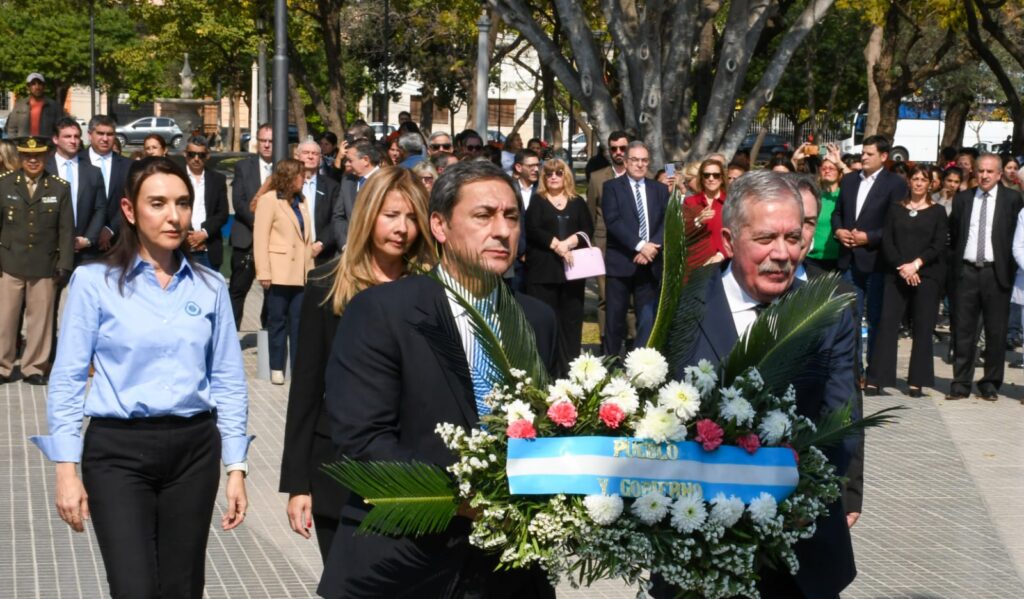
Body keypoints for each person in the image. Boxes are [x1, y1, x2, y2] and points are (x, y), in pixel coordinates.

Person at [318, 160, 559, 598]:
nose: (502, 230)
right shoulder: (383, 312)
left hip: (510, 573)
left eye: (511, 216)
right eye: (483, 216)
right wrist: (471, 498)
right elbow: (364, 441)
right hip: (401, 565)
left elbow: (562, 429)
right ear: (440, 226)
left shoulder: (537, 320)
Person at [29, 156, 249, 598]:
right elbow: (69, 378)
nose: (174, 215)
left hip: (193, 452)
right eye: (158, 203)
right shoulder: (95, 283)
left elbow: (227, 379)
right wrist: (66, 471)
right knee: (133, 588)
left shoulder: (210, 287)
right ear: (130, 210)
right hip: (117, 453)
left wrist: (237, 466)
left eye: (183, 203)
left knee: (182, 587)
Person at [655, 170, 858, 599]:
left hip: (799, 550)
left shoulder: (831, 308)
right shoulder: (680, 304)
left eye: (793, 238)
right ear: (728, 241)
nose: (783, 253)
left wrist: (805, 497)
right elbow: (651, 416)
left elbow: (841, 416)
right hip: (697, 551)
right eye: (766, 238)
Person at [279, 167, 434, 561]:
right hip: (337, 470)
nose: (402, 228)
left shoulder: (432, 291)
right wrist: (298, 483)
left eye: (412, 217)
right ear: (367, 216)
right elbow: (306, 391)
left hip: (415, 472)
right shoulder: (325, 285)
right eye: (391, 215)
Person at [831, 134, 909, 379]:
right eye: (863, 152)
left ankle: (875, 371)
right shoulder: (850, 179)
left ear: (883, 156)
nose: (863, 157)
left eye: (869, 154)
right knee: (849, 318)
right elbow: (838, 213)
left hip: (877, 261)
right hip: (849, 260)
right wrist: (839, 230)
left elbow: (896, 224)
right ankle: (854, 371)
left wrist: (870, 237)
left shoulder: (895, 184)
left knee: (876, 317)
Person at [947, 153, 1024, 401]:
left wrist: (1009, 270)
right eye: (981, 170)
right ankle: (960, 383)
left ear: (1000, 174)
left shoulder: (1012, 200)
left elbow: (1016, 237)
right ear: (974, 172)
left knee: (996, 331)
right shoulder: (963, 199)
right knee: (963, 330)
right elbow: (954, 234)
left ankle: (990, 383)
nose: (985, 175)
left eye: (990, 171)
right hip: (967, 271)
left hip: (996, 273)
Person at [866, 165, 947, 397]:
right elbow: (888, 241)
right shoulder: (895, 209)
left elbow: (938, 243)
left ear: (931, 183)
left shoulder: (937, 211)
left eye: (924, 179)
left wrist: (916, 264)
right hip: (896, 274)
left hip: (926, 275)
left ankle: (916, 381)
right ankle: (877, 378)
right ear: (908, 182)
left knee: (922, 327)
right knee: (887, 324)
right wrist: (903, 266)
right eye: (915, 179)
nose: (919, 183)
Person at [0, 136, 73, 385]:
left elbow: (66, 231)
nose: (33, 161)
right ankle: (3, 366)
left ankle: (34, 367)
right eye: (28, 157)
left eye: (38, 156)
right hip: (9, 263)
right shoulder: (5, 184)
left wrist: (64, 263)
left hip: (44, 264)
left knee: (40, 320)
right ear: (20, 158)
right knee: (5, 319)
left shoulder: (59, 188)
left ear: (45, 157)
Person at [601, 141, 668, 356]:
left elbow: (666, 221)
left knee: (647, 319)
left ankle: (642, 366)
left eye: (644, 160)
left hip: (650, 264)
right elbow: (613, 221)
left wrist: (652, 249)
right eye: (635, 160)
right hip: (621, 263)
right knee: (615, 319)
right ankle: (610, 364)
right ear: (626, 162)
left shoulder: (658, 189)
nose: (640, 164)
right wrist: (640, 246)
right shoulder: (612, 187)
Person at [525, 157, 595, 358]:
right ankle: (546, 368)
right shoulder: (537, 200)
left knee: (571, 323)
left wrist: (568, 244)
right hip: (543, 273)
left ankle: (569, 370)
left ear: (567, 176)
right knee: (545, 321)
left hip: (573, 273)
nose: (553, 177)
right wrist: (557, 246)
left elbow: (587, 229)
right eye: (548, 173)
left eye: (558, 173)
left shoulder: (577, 202)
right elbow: (532, 229)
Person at [253, 159, 314, 385]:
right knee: (277, 321)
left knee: (299, 322)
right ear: (289, 177)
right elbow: (260, 238)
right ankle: (276, 366)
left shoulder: (302, 201)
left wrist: (310, 269)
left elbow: (305, 237)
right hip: (278, 272)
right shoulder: (269, 201)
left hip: (300, 272)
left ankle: (297, 368)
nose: (304, 179)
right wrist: (264, 272)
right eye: (300, 175)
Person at [586, 131, 630, 346]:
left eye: (622, 148)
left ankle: (632, 342)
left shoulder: (641, 175)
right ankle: (606, 346)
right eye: (614, 149)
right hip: (603, 246)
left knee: (630, 300)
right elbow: (591, 213)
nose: (618, 152)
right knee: (605, 298)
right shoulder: (597, 177)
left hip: (632, 246)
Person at [229, 123, 274, 329]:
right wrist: (258, 223)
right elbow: (239, 201)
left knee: (272, 293)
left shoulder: (284, 167)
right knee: (238, 290)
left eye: (270, 141)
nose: (266, 145)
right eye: (262, 140)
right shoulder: (243, 167)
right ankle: (231, 336)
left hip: (274, 241)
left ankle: (266, 336)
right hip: (246, 236)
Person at [46, 117, 108, 263]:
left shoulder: (93, 172)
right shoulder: (44, 170)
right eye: (67, 136)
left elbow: (100, 208)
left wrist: (88, 239)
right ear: (55, 139)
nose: (73, 141)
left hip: (84, 252)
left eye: (76, 137)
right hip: (48, 252)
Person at [182, 136, 229, 271]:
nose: (196, 158)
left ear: (207, 156)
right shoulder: (176, 177)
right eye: (192, 154)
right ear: (185, 154)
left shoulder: (218, 179)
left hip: (209, 248)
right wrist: (188, 236)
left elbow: (223, 213)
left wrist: (204, 233)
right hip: (181, 248)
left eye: (201, 155)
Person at [86, 115, 132, 251]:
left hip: (118, 241)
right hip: (83, 240)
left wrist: (111, 229)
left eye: (110, 134)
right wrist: (92, 233)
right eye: (100, 133)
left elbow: (131, 199)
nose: (105, 139)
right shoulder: (77, 162)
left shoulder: (128, 166)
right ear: (90, 135)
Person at [295, 139, 342, 266]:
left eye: (315, 154)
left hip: (323, 254)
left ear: (320, 158)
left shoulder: (332, 187)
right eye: (306, 153)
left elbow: (337, 218)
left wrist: (321, 243)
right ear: (297, 156)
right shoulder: (287, 185)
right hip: (292, 253)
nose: (310, 156)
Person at [337, 141, 383, 249]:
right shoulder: (347, 181)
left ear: (366, 160)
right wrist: (344, 243)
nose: (347, 164)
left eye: (350, 160)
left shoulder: (387, 182)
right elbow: (339, 216)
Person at [683, 158, 728, 267]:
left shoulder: (730, 202)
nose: (711, 178)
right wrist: (697, 221)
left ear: (722, 178)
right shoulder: (690, 202)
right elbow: (682, 233)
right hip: (697, 265)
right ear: (701, 178)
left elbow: (738, 234)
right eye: (706, 175)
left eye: (716, 175)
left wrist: (721, 254)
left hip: (724, 262)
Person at [806, 155, 843, 271]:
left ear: (840, 174)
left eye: (831, 168)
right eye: (824, 168)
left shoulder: (845, 196)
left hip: (838, 260)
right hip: (812, 259)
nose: (827, 170)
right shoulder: (813, 196)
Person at [5, 73, 63, 138]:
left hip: (46, 145)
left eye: (40, 83)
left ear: (44, 86)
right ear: (28, 87)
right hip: (23, 146)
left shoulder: (54, 106)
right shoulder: (20, 105)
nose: (37, 87)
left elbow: (60, 128)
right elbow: (11, 128)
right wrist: (15, 143)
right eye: (33, 84)